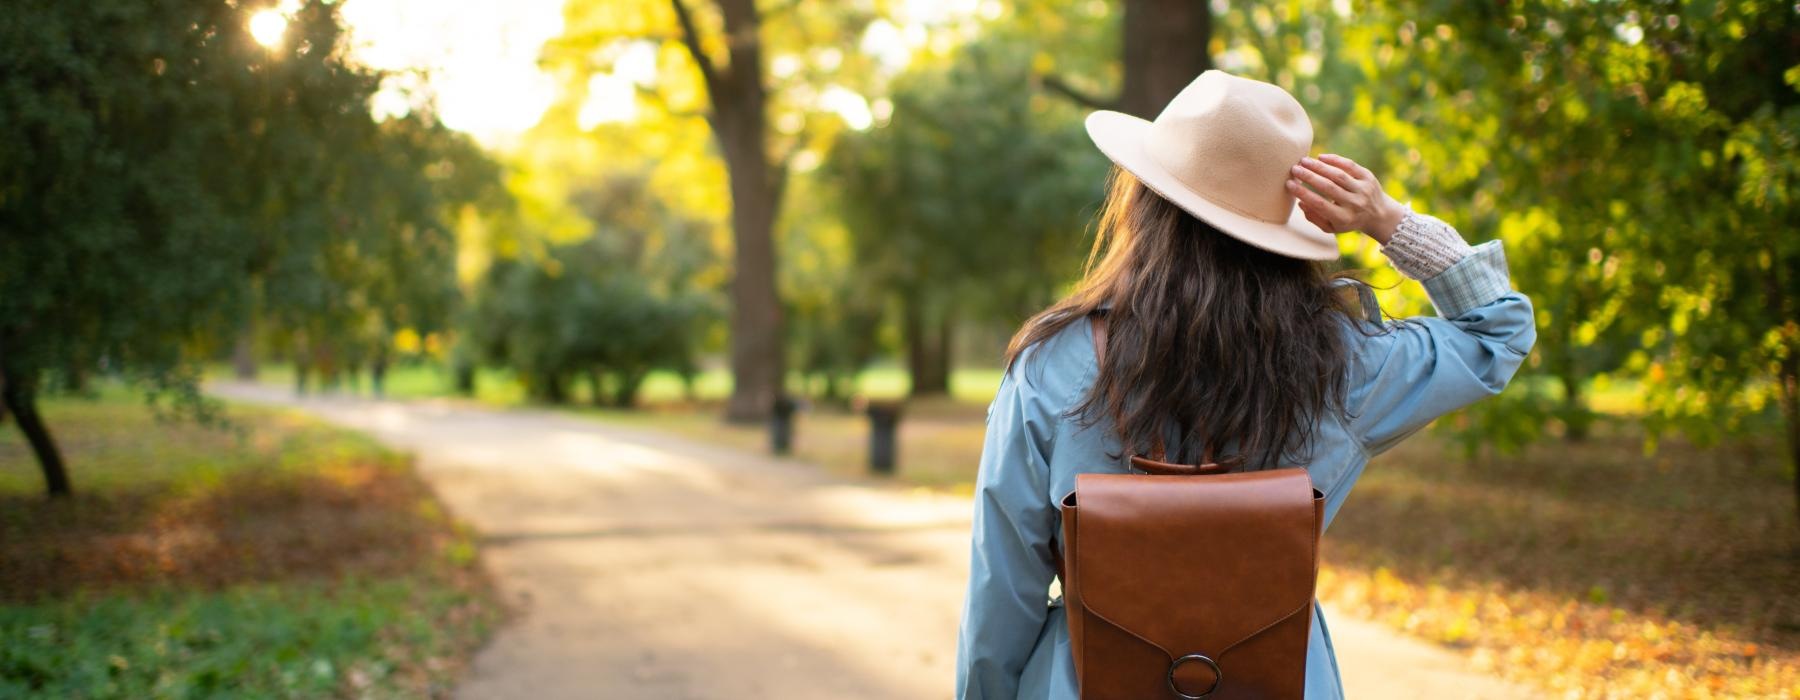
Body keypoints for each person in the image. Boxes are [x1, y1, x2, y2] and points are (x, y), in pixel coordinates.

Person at [953, 70, 1536, 699]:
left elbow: (1003, 584)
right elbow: (1498, 333)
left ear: (1144, 202)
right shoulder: (1346, 364)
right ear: (1282, 229)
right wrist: (1388, 220)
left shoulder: (1051, 362)